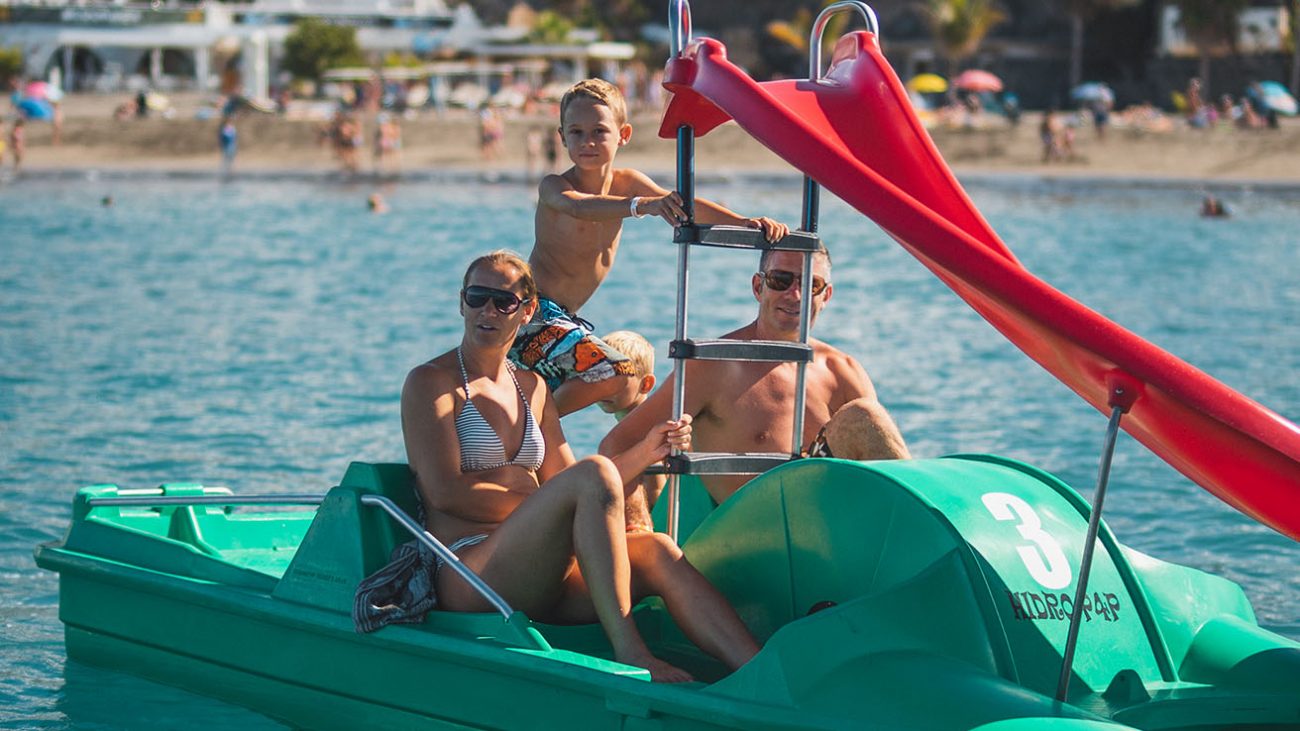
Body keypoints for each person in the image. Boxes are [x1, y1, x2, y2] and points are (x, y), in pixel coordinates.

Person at [375, 251, 759, 682]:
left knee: (658, 551)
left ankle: (762, 678)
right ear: (461, 302)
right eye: (477, 297)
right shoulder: (431, 381)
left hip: (544, 569)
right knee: (594, 473)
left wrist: (649, 451)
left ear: (528, 310)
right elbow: (445, 492)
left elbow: (569, 484)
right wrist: (553, 510)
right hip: (470, 571)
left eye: (503, 301)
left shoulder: (533, 386)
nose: (488, 311)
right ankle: (631, 650)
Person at [516, 78, 789, 416]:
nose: (587, 142)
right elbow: (578, 206)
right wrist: (639, 206)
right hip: (532, 316)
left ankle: (540, 432)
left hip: (565, 321)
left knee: (628, 386)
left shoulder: (627, 182)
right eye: (576, 133)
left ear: (623, 135)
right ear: (562, 137)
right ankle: (529, 429)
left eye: (599, 131)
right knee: (616, 371)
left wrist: (744, 221)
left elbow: (681, 204)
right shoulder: (555, 186)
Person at [600, 247, 910, 508]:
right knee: (861, 416)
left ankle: (925, 541)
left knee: (866, 419)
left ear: (826, 295)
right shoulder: (714, 364)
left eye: (810, 284)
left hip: (825, 517)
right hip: (749, 530)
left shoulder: (842, 371)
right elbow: (616, 445)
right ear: (758, 287)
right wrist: (638, 536)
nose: (795, 294)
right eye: (781, 280)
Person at [599, 330, 662, 532]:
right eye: (598, 375)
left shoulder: (644, 431)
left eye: (617, 379)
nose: (605, 387)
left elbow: (657, 491)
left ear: (646, 384)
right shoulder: (630, 427)